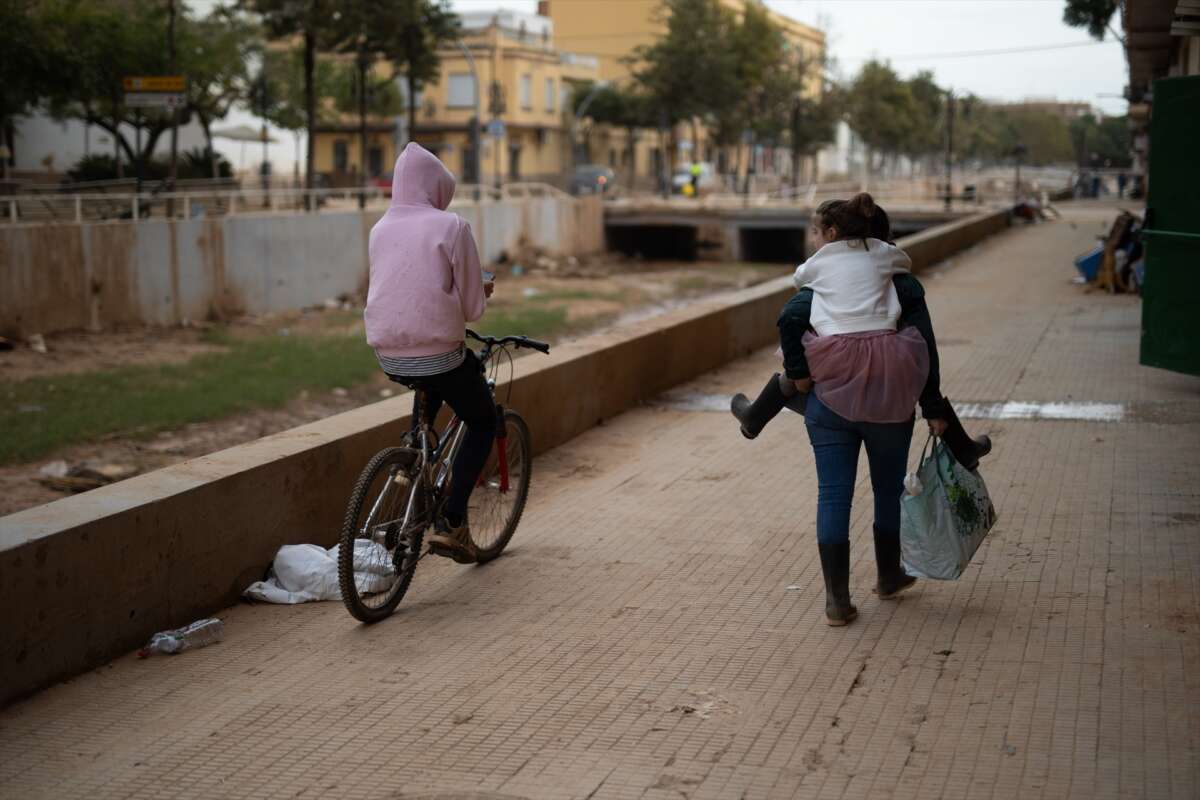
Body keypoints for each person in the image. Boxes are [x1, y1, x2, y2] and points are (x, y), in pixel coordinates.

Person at [731, 195, 991, 626]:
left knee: (833, 495)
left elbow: (790, 317)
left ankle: (837, 601)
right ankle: (889, 577)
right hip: (890, 402)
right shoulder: (902, 283)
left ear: (834, 235)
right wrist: (932, 406)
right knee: (888, 491)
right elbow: (924, 349)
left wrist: (798, 374)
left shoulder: (819, 282)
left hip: (831, 402)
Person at [364, 142, 495, 564]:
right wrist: (483, 289)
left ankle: (413, 451)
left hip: (387, 352)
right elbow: (473, 308)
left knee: (429, 376)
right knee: (482, 419)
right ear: (436, 187)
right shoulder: (451, 226)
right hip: (440, 352)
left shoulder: (379, 229)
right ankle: (452, 523)